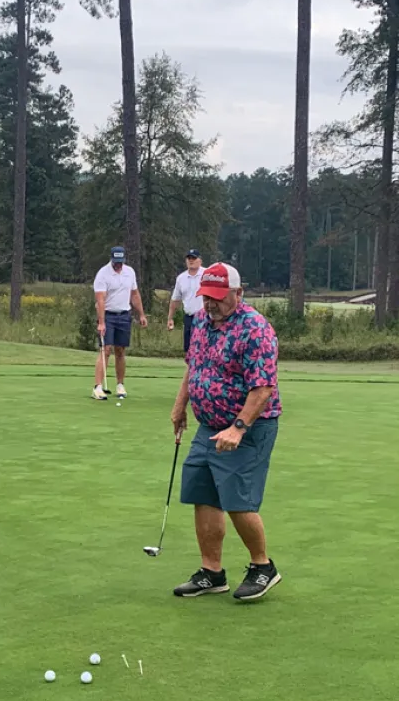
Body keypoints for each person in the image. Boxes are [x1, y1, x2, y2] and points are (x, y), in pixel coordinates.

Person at [169, 262, 282, 602]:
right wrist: (180, 406)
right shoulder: (203, 321)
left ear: (238, 293)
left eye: (218, 298)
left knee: (236, 498)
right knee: (202, 493)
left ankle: (263, 566)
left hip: (248, 427)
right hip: (209, 426)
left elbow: (262, 389)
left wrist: (238, 427)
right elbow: (195, 367)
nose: (210, 304)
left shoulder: (255, 329)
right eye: (206, 297)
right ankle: (211, 572)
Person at [92, 246, 148, 400]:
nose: (118, 265)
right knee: (106, 349)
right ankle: (97, 387)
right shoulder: (103, 274)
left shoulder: (129, 272)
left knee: (121, 351)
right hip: (108, 315)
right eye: (116, 262)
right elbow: (100, 299)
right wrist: (102, 322)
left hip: (124, 315)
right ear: (111, 259)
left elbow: (135, 295)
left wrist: (141, 314)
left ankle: (120, 385)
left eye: (120, 262)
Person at [166, 248, 205, 355]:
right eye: (189, 259)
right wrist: (170, 318)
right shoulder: (181, 278)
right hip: (189, 317)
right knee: (189, 351)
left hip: (205, 318)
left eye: (194, 258)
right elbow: (175, 300)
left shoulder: (207, 274)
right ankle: (191, 371)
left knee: (204, 349)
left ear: (200, 261)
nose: (191, 261)